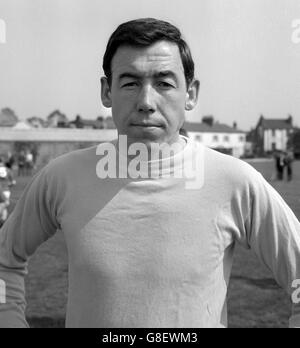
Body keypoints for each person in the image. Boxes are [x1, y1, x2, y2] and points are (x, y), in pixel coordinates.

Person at [0, 18, 300, 328]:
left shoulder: (235, 181)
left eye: (164, 83)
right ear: (106, 91)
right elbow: (4, 261)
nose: (146, 102)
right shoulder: (61, 177)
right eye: (130, 82)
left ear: (191, 94)